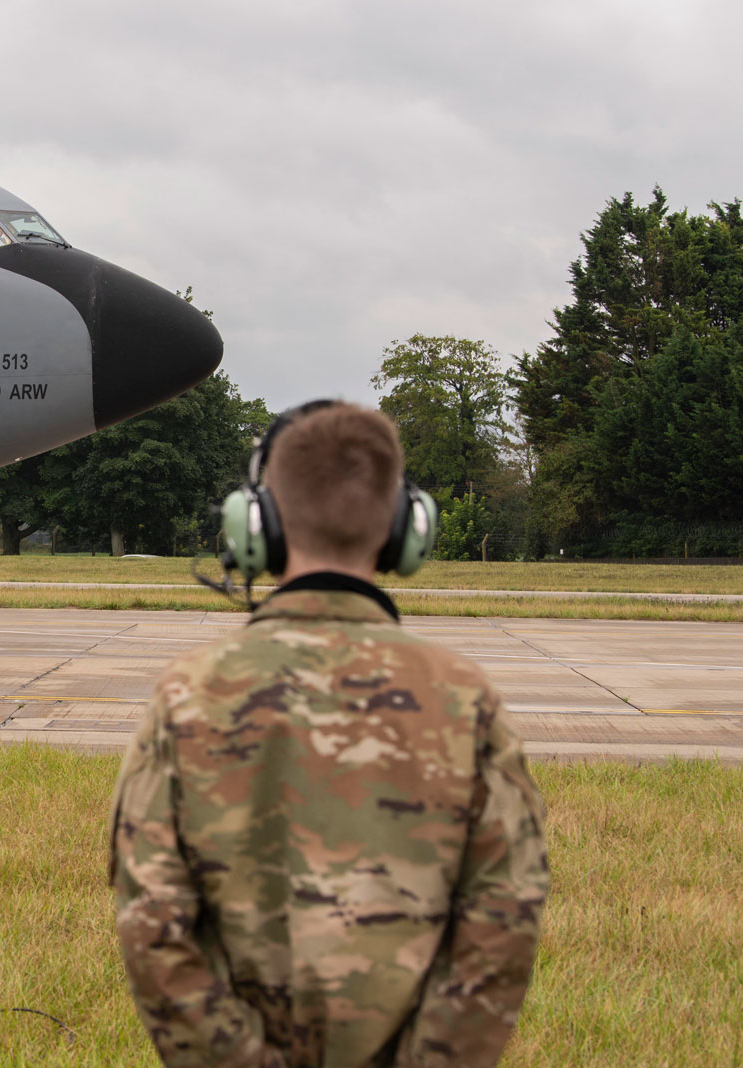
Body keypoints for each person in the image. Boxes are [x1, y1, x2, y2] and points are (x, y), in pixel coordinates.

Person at [109, 401, 549, 1068]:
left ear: (257, 525)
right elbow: (504, 919)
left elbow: (153, 926)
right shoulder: (466, 699)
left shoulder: (188, 693)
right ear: (406, 527)